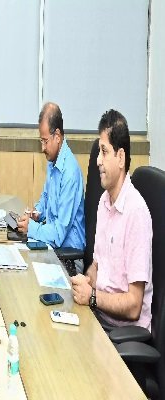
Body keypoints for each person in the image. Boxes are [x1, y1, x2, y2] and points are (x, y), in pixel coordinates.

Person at [71, 109, 152, 331]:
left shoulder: (136, 213)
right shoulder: (104, 202)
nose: (98, 160)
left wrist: (92, 296)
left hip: (122, 332)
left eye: (104, 152)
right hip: (100, 316)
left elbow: (134, 305)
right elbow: (98, 265)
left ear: (121, 157)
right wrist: (86, 281)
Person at [17, 102, 85, 262]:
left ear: (58, 136)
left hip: (69, 257)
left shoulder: (70, 173)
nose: (42, 148)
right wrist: (36, 214)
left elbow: (58, 234)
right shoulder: (53, 161)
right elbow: (46, 198)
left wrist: (32, 228)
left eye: (45, 141)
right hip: (53, 247)